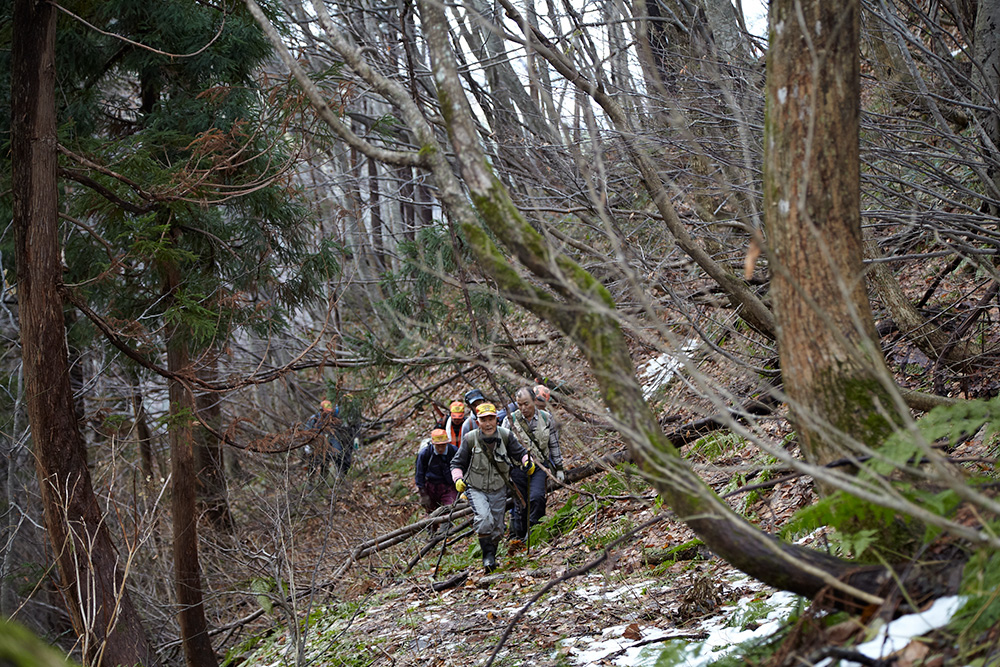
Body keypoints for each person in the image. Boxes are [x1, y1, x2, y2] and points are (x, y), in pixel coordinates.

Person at [451, 403, 533, 573]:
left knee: (497, 528)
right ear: (477, 422)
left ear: (497, 419)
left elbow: (520, 453)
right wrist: (458, 479)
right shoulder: (470, 439)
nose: (488, 424)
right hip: (476, 487)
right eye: (484, 420)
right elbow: (456, 463)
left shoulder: (506, 436)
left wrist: (527, 462)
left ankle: (492, 556)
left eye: (491, 419)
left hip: (499, 487)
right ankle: (487, 558)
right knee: (484, 519)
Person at [503, 386, 565, 546]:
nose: (523, 408)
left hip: (539, 466)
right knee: (521, 504)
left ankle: (535, 532)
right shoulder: (509, 420)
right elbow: (502, 447)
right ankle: (521, 537)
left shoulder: (546, 418)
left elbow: (554, 444)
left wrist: (559, 467)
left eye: (526, 404)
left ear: (534, 401)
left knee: (537, 497)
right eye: (519, 404)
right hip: (517, 468)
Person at [304, 399, 353, 477]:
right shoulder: (314, 419)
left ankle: (339, 476)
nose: (328, 414)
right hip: (317, 444)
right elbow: (307, 433)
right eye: (326, 412)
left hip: (330, 443)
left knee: (332, 459)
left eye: (329, 412)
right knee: (313, 463)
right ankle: (311, 479)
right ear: (321, 410)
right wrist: (308, 444)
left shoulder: (334, 418)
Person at [415, 428, 459, 515]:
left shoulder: (454, 451)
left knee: (451, 508)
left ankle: (447, 523)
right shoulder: (425, 454)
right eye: (438, 445)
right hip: (431, 487)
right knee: (431, 512)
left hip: (448, 486)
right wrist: (423, 494)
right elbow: (419, 474)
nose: (440, 448)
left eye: (443, 445)